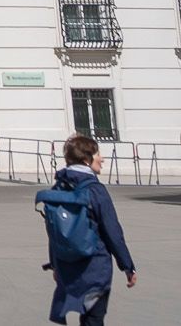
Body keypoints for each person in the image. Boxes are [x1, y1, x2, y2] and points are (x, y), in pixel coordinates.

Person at [44, 133, 137, 326]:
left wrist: (55, 264)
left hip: (67, 266)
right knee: (93, 319)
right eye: (98, 155)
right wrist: (127, 265)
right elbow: (112, 231)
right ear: (87, 160)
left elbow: (54, 232)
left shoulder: (57, 189)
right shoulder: (95, 190)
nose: (102, 159)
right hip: (95, 266)